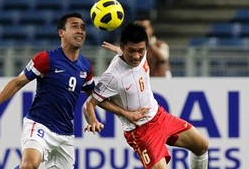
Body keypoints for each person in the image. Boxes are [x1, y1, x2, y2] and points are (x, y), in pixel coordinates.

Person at [0, 12, 148, 169]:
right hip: (39, 124)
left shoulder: (85, 66)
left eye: (83, 28)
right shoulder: (46, 59)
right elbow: (17, 83)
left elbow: (95, 98)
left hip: (65, 134)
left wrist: (115, 115)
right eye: (74, 26)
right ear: (61, 33)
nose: (80, 31)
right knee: (29, 165)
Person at [83, 24, 208, 169]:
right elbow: (89, 104)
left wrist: (119, 51)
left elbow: (134, 52)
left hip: (160, 116)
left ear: (146, 47)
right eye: (131, 51)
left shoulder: (139, 55)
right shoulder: (113, 76)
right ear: (123, 47)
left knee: (201, 146)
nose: (136, 56)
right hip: (141, 130)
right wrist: (97, 119)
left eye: (141, 51)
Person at [102, 18, 172, 78]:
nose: (141, 31)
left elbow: (163, 58)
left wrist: (151, 44)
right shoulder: (130, 46)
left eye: (144, 28)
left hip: (161, 81)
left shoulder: (161, 44)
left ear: (152, 29)